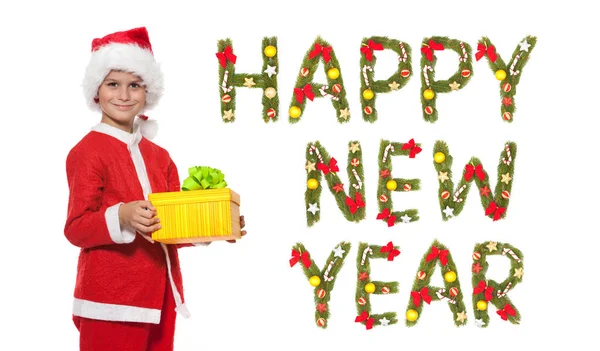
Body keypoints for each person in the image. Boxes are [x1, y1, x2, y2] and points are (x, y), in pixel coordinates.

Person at [64, 27, 246, 351]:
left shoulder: (159, 157)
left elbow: (171, 225)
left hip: (162, 299)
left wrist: (217, 225)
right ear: (97, 91)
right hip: (111, 303)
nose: (123, 95)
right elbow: (76, 228)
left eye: (134, 85)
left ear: (148, 91)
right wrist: (121, 215)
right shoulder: (87, 151)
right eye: (113, 84)